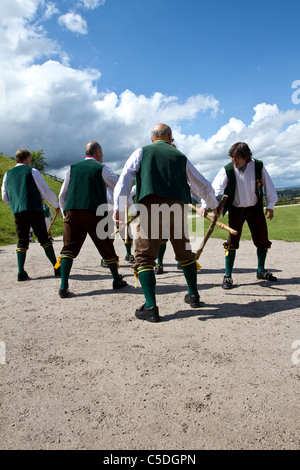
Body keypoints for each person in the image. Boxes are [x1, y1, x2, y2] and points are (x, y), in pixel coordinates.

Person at [113, 123, 220, 322]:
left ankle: (151, 307)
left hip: (150, 206)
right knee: (184, 252)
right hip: (177, 208)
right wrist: (214, 205)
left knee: (144, 257)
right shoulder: (179, 156)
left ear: (152, 137)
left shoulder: (142, 151)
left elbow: (125, 179)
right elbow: (201, 184)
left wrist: (120, 209)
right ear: (169, 136)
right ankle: (194, 296)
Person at [200, 142, 278, 289]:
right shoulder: (228, 170)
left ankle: (261, 271)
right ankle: (228, 276)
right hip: (236, 210)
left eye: (237, 158)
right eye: (232, 158)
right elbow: (214, 189)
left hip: (255, 210)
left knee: (262, 240)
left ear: (246, 156)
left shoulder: (258, 166)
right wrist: (205, 205)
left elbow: (269, 185)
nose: (233, 161)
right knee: (232, 242)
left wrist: (270, 205)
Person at [58, 140, 127, 298]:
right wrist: (129, 208)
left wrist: (65, 213)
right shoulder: (102, 168)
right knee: (106, 246)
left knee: (68, 249)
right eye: (101, 152)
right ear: (97, 152)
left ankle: (63, 285)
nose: (102, 155)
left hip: (72, 212)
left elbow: (62, 194)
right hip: (96, 212)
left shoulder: (72, 168)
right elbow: (119, 189)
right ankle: (116, 279)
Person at [1, 148, 61, 280]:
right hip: (34, 209)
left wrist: (15, 205)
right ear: (27, 159)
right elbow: (45, 191)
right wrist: (56, 205)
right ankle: (57, 267)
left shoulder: (7, 174)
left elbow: (4, 196)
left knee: (22, 241)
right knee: (44, 239)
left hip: (18, 212)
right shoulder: (32, 171)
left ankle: (21, 272)